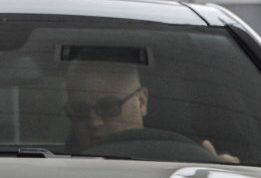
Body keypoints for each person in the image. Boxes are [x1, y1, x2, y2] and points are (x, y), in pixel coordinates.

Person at [62, 60, 238, 162]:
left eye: (109, 107)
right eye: (79, 110)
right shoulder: (50, 171)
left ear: (142, 102)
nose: (94, 122)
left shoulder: (193, 166)